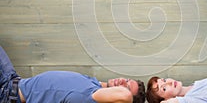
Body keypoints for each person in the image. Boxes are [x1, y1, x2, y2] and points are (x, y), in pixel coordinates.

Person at [0, 46, 145, 103]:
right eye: (126, 79)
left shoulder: (91, 98)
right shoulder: (94, 84)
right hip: (13, 80)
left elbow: (124, 96)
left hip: (8, 95)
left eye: (126, 87)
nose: (122, 82)